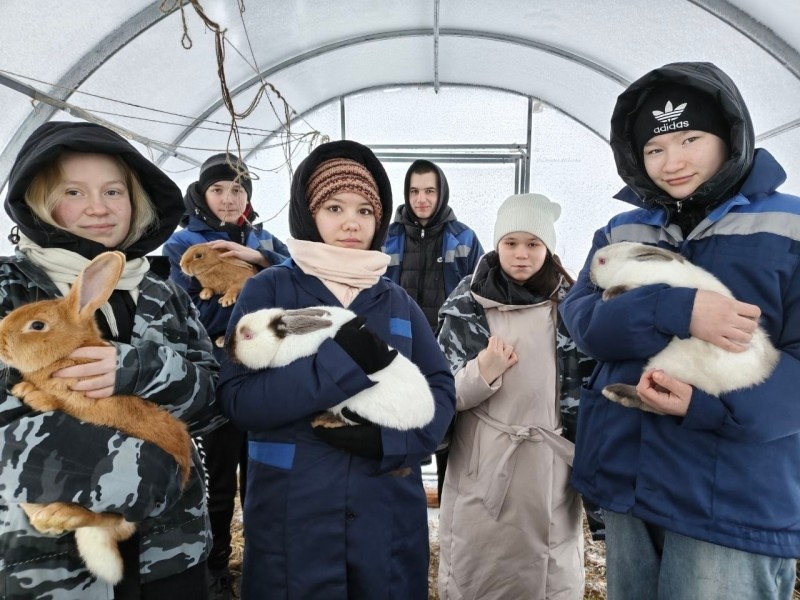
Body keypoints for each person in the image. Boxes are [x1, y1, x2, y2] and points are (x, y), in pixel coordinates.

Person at [559, 61, 800, 600]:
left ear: (730, 137)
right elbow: (581, 319)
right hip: (629, 482)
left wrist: (707, 408)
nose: (673, 161)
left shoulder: (790, 228)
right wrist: (675, 310)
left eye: (690, 138)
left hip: (731, 497)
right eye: (654, 149)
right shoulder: (624, 228)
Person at [217, 140, 456, 599]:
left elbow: (441, 391)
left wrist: (392, 441)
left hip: (382, 511)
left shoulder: (396, 300)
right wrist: (336, 367)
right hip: (295, 509)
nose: (352, 222)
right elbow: (237, 398)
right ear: (309, 213)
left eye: (366, 210)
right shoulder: (270, 289)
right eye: (334, 206)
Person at [0, 121, 222, 599]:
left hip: (171, 551)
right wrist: (149, 475)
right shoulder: (10, 290)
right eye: (74, 191)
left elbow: (214, 400)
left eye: (114, 191)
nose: (98, 208)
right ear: (40, 201)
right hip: (49, 567)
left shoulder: (164, 292)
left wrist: (144, 368)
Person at [436, 193, 591, 599]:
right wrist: (481, 373)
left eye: (533, 244)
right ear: (496, 244)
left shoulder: (571, 306)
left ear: (549, 248)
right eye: (511, 243)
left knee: (548, 574)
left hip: (549, 466)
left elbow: (591, 388)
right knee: (478, 572)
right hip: (482, 463)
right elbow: (437, 396)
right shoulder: (467, 306)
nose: (521, 255)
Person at [162, 152, 289, 600]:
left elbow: (296, 285)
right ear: (201, 193)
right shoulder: (182, 246)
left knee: (264, 475)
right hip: (216, 380)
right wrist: (242, 302)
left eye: (238, 190)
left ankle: (261, 564)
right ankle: (215, 570)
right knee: (217, 478)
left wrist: (256, 256)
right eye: (219, 189)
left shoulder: (264, 240)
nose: (229, 198)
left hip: (265, 378)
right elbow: (184, 314)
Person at [382, 159, 484, 499]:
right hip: (398, 351)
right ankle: (402, 512)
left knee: (447, 434)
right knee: (400, 431)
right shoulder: (388, 237)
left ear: (441, 193)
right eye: (414, 191)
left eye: (429, 190)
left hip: (447, 352)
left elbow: (480, 292)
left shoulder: (464, 238)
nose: (421, 199)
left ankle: (448, 522)